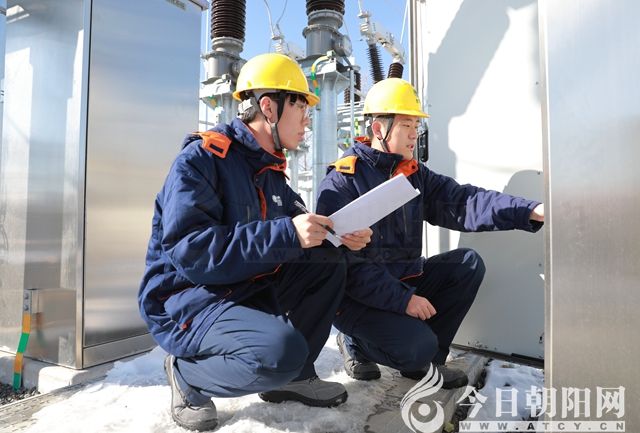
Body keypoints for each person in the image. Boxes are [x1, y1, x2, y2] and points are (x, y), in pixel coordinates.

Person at [138, 53, 372, 431]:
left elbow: (298, 229)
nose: (308, 120)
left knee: (328, 261)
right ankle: (188, 375)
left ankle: (295, 377)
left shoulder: (270, 170)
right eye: (301, 108)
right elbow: (192, 251)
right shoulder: (201, 160)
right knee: (278, 354)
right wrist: (288, 233)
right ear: (269, 107)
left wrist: (338, 236)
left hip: (240, 286)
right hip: (188, 299)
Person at [316, 78, 544, 389]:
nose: (415, 134)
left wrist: (530, 210)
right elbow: (346, 268)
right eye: (406, 125)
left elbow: (466, 201)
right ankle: (355, 343)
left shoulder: (414, 174)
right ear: (379, 129)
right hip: (357, 298)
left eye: (416, 125)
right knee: (414, 346)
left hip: (402, 280)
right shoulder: (343, 181)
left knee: (467, 264)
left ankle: (428, 363)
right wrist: (403, 300)